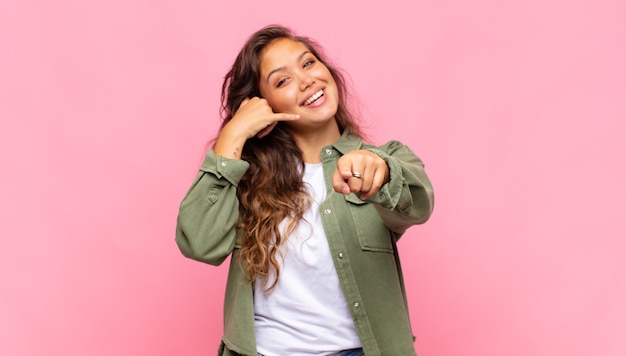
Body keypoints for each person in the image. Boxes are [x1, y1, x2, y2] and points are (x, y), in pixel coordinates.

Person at [175, 24, 434, 356]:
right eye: (283, 80)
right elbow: (199, 243)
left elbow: (419, 204)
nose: (306, 79)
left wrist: (381, 173)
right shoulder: (247, 179)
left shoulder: (384, 159)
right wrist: (233, 136)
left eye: (309, 63)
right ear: (263, 104)